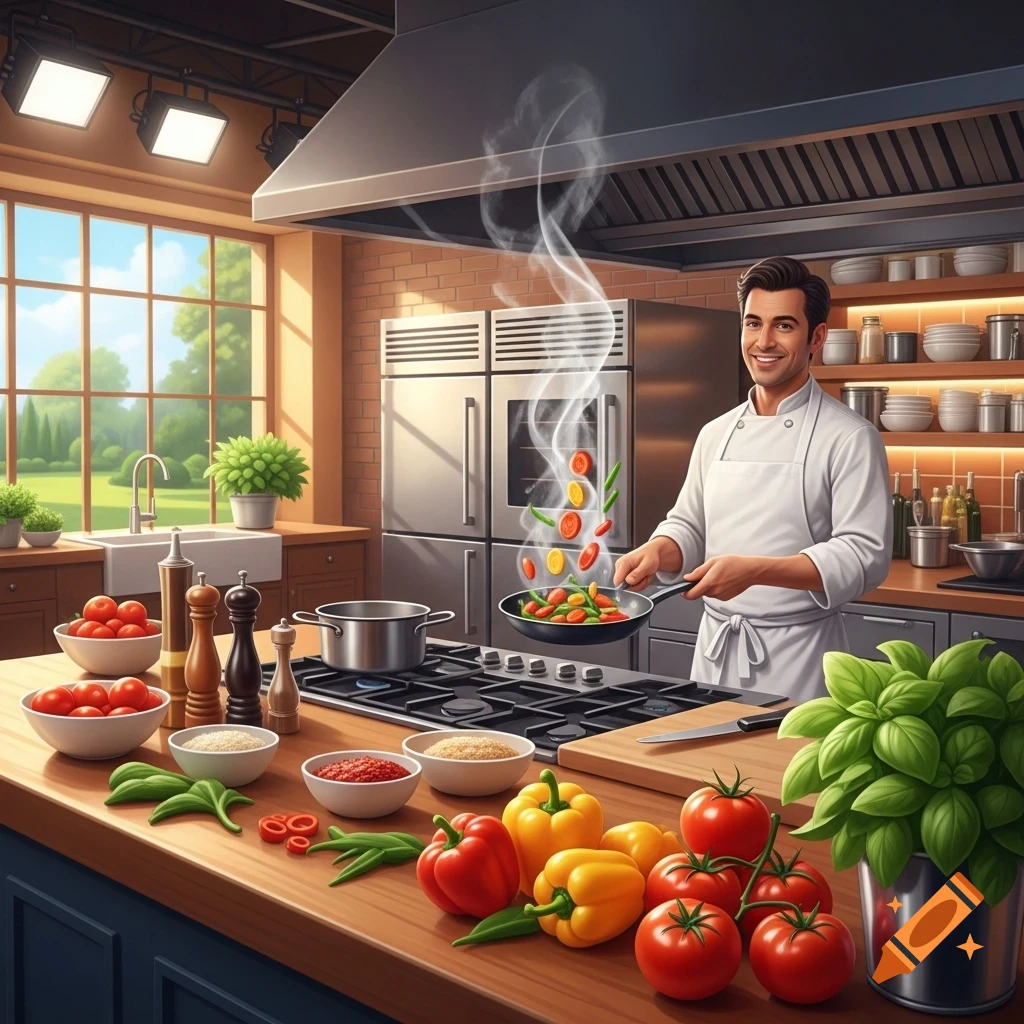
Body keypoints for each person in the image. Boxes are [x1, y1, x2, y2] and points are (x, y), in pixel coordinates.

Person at [614, 256, 892, 700]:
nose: (764, 341)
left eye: (784, 325)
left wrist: (755, 571)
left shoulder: (850, 437)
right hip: (715, 652)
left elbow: (864, 555)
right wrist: (656, 551)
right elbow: (689, 525)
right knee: (709, 772)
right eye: (753, 323)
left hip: (801, 658)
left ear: (816, 336)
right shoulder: (716, 433)